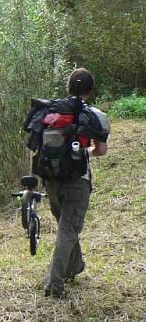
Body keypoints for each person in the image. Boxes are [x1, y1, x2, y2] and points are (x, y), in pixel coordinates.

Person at [42, 68, 110, 299]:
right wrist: (85, 150)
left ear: (68, 87)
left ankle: (75, 266)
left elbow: (35, 147)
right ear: (90, 90)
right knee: (68, 231)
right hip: (77, 182)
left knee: (66, 227)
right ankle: (54, 285)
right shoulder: (93, 115)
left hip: (50, 180)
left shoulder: (49, 111)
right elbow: (100, 150)